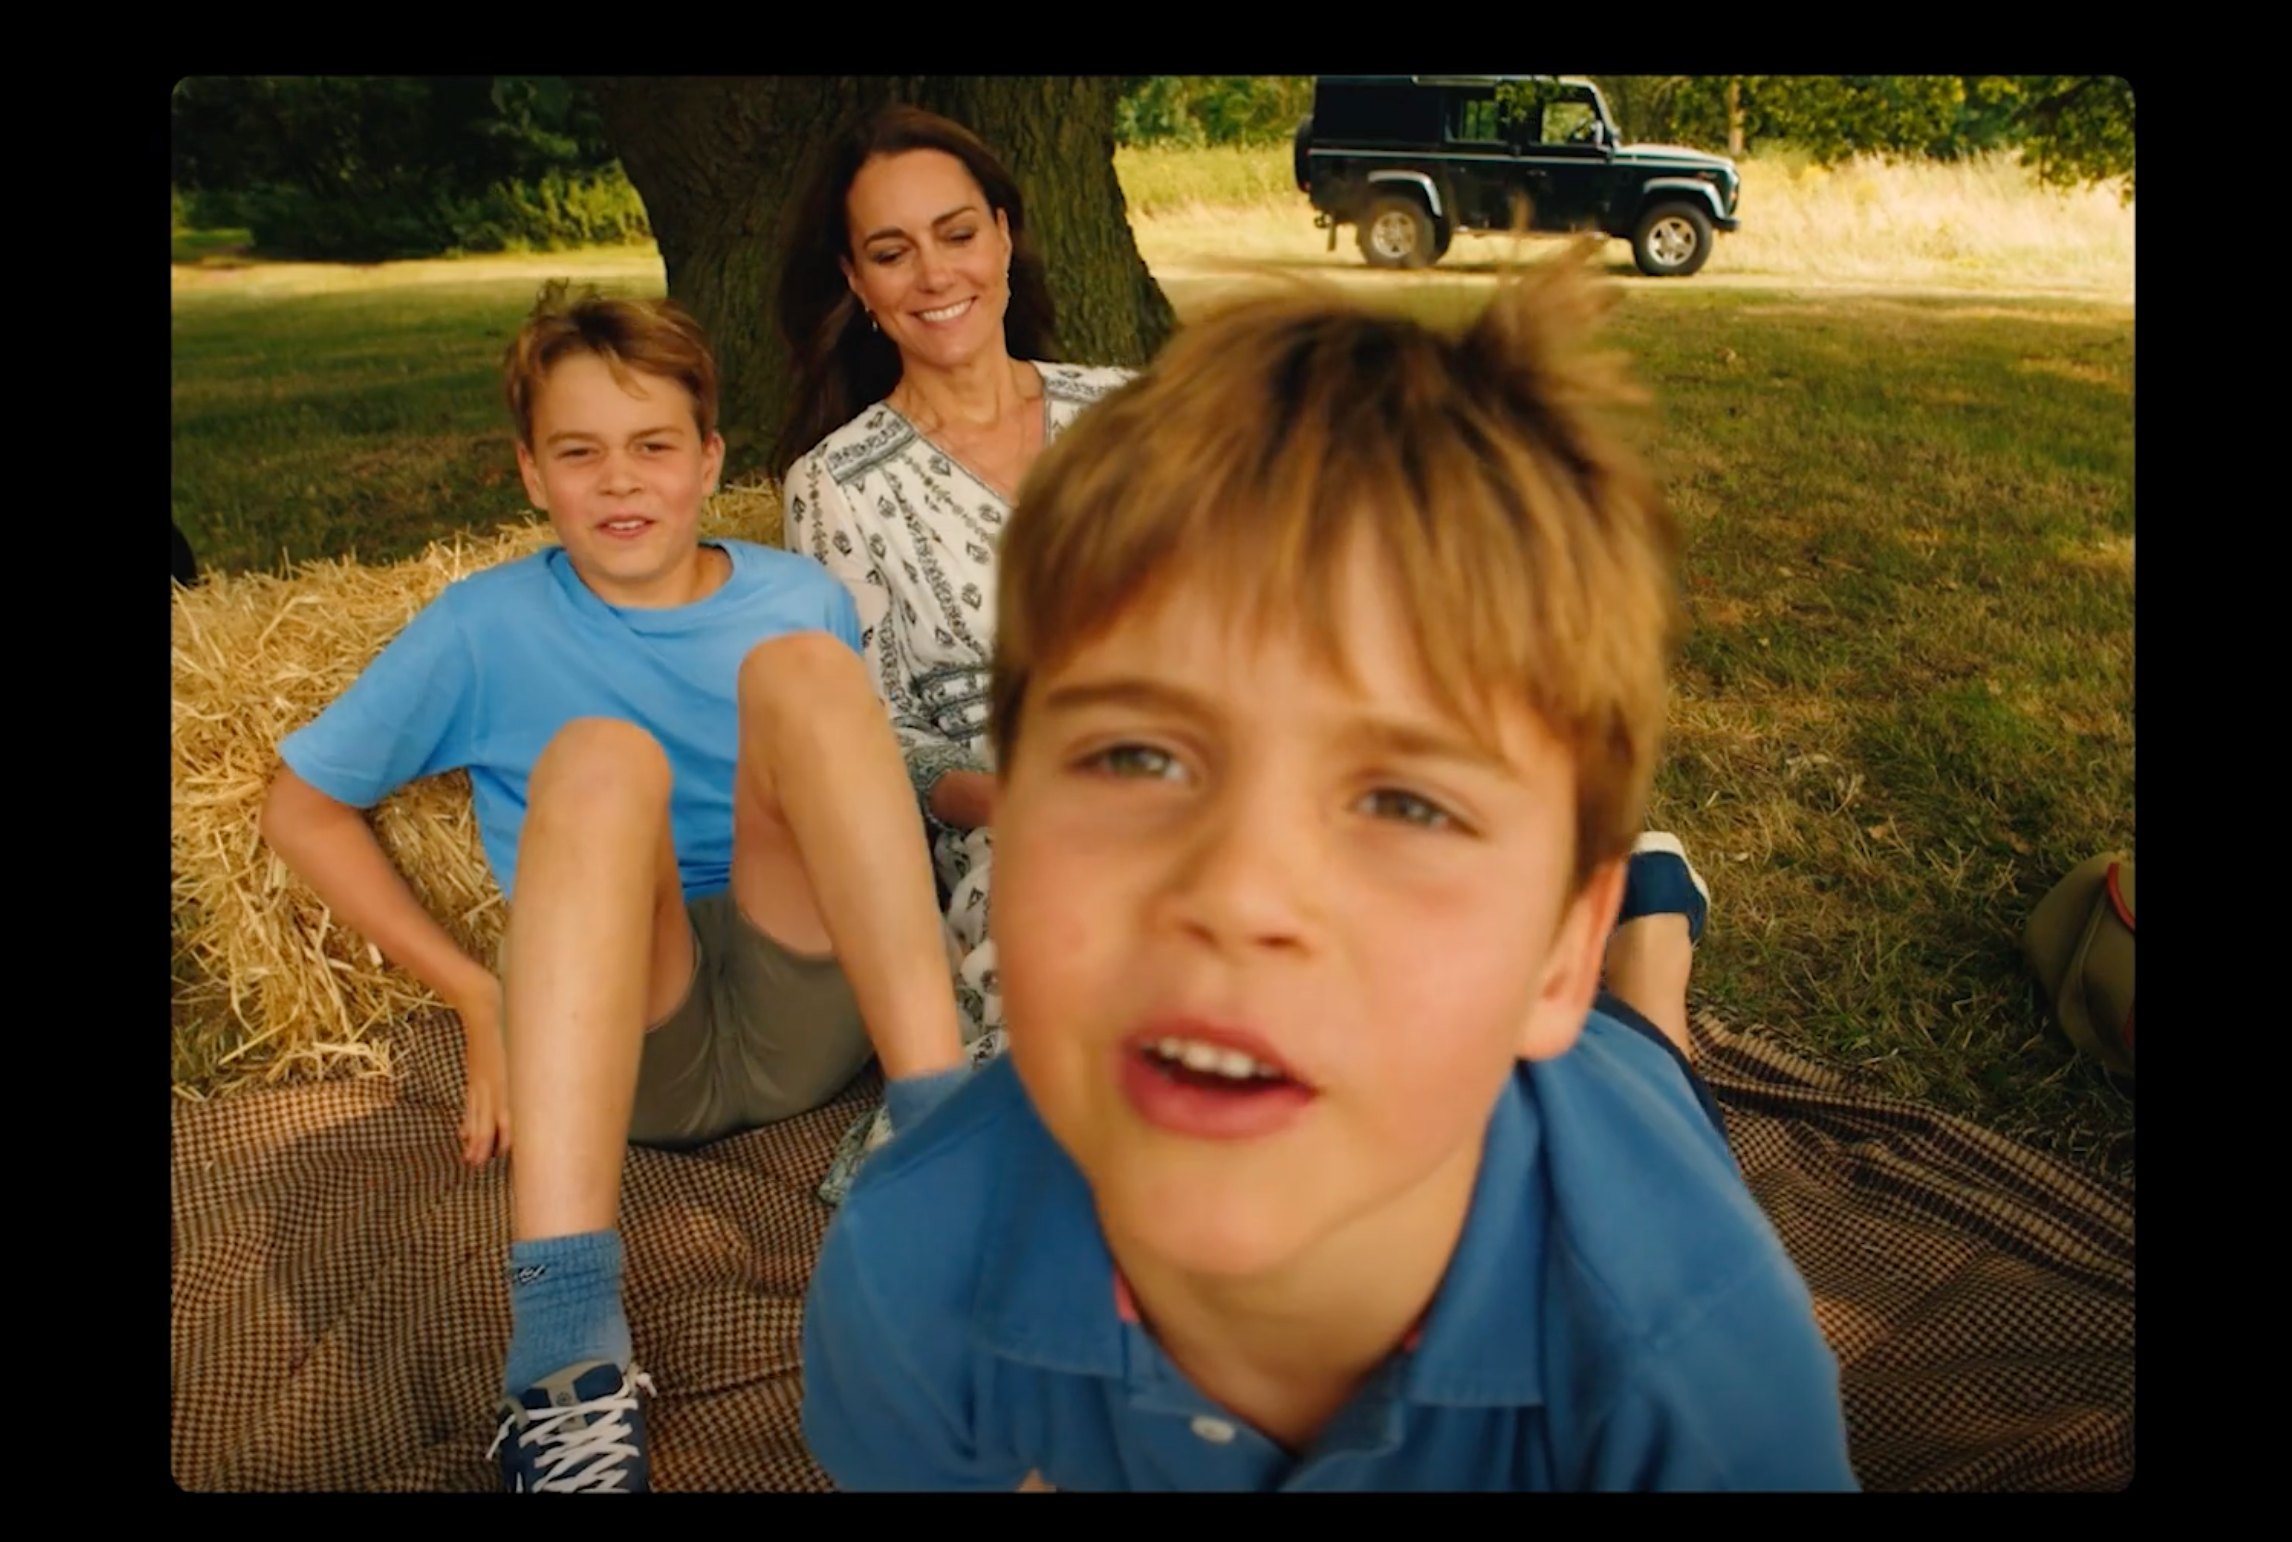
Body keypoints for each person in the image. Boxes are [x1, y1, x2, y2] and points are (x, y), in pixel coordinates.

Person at [796, 246, 1859, 1490]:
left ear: (1550, 956)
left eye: (1405, 800)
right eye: (1138, 759)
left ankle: (1646, 964)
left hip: (1610, 1103)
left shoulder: (1689, 1364)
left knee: (1656, 1071)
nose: (1240, 894)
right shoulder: (908, 1271)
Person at [258, 280, 971, 1492]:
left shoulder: (793, 595)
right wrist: (479, 997)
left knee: (804, 669)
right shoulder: (482, 628)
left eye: (652, 448)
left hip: (808, 997)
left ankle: (948, 1152)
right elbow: (299, 806)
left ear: (709, 461)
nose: (622, 481)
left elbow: (858, 796)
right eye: (580, 453)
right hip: (624, 1033)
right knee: (597, 755)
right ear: (532, 474)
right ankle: (565, 1364)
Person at [773, 105, 1135, 1201]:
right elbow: (874, 743)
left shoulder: (1131, 415)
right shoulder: (836, 483)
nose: (935, 273)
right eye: (892, 251)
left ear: (1006, 236)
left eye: (956, 232)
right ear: (858, 281)